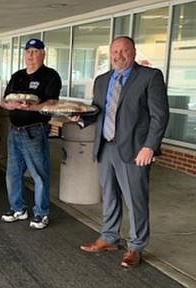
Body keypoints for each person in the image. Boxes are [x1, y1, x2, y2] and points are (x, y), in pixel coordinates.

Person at [77, 36, 169, 268]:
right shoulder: (102, 80)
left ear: (133, 52)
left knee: (135, 199)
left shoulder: (150, 77)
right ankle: (109, 237)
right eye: (114, 52)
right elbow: (97, 111)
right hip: (105, 146)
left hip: (134, 150)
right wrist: (79, 118)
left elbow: (160, 115)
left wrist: (150, 146)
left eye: (124, 51)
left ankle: (136, 247)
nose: (118, 56)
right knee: (109, 195)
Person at [0, 38, 61, 230]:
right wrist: (12, 105)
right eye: (28, 51)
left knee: (39, 174)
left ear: (43, 54)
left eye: (35, 51)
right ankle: (18, 209)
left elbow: (52, 103)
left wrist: (31, 107)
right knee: (13, 173)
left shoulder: (50, 76)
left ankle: (41, 214)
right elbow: (4, 101)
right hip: (14, 130)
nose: (30, 55)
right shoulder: (17, 76)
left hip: (35, 131)